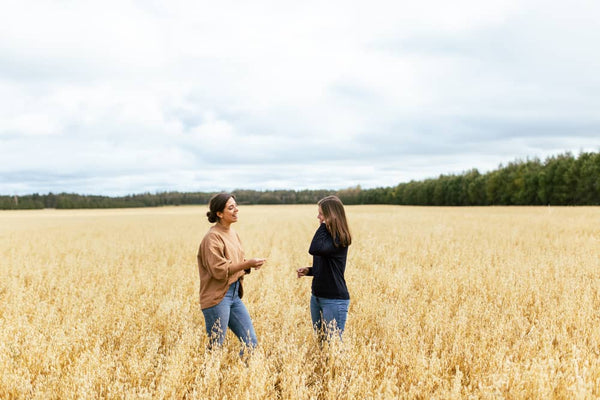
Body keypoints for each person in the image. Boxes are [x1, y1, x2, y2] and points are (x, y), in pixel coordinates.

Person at [197, 193, 266, 355]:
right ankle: (207, 379)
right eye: (231, 207)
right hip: (217, 297)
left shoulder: (233, 233)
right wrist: (247, 264)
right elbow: (219, 270)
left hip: (234, 294)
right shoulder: (212, 238)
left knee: (250, 342)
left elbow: (237, 261)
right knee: (216, 347)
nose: (236, 210)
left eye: (236, 206)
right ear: (219, 214)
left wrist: (248, 264)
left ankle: (243, 379)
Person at [297, 195, 352, 340]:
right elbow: (327, 265)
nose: (318, 217)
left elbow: (314, 248)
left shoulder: (340, 238)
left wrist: (323, 225)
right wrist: (309, 270)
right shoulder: (327, 236)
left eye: (321, 214)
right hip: (317, 297)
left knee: (333, 347)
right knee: (321, 343)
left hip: (334, 300)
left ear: (331, 216)